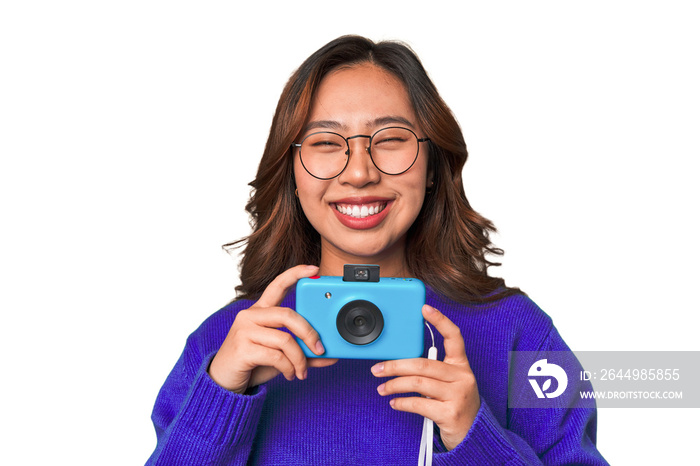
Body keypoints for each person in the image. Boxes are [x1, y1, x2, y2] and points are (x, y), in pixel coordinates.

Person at [147, 35, 608, 465]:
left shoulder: (517, 333)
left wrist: (473, 434)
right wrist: (221, 394)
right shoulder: (229, 343)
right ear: (291, 171)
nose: (360, 172)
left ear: (431, 166)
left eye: (389, 140)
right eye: (327, 143)